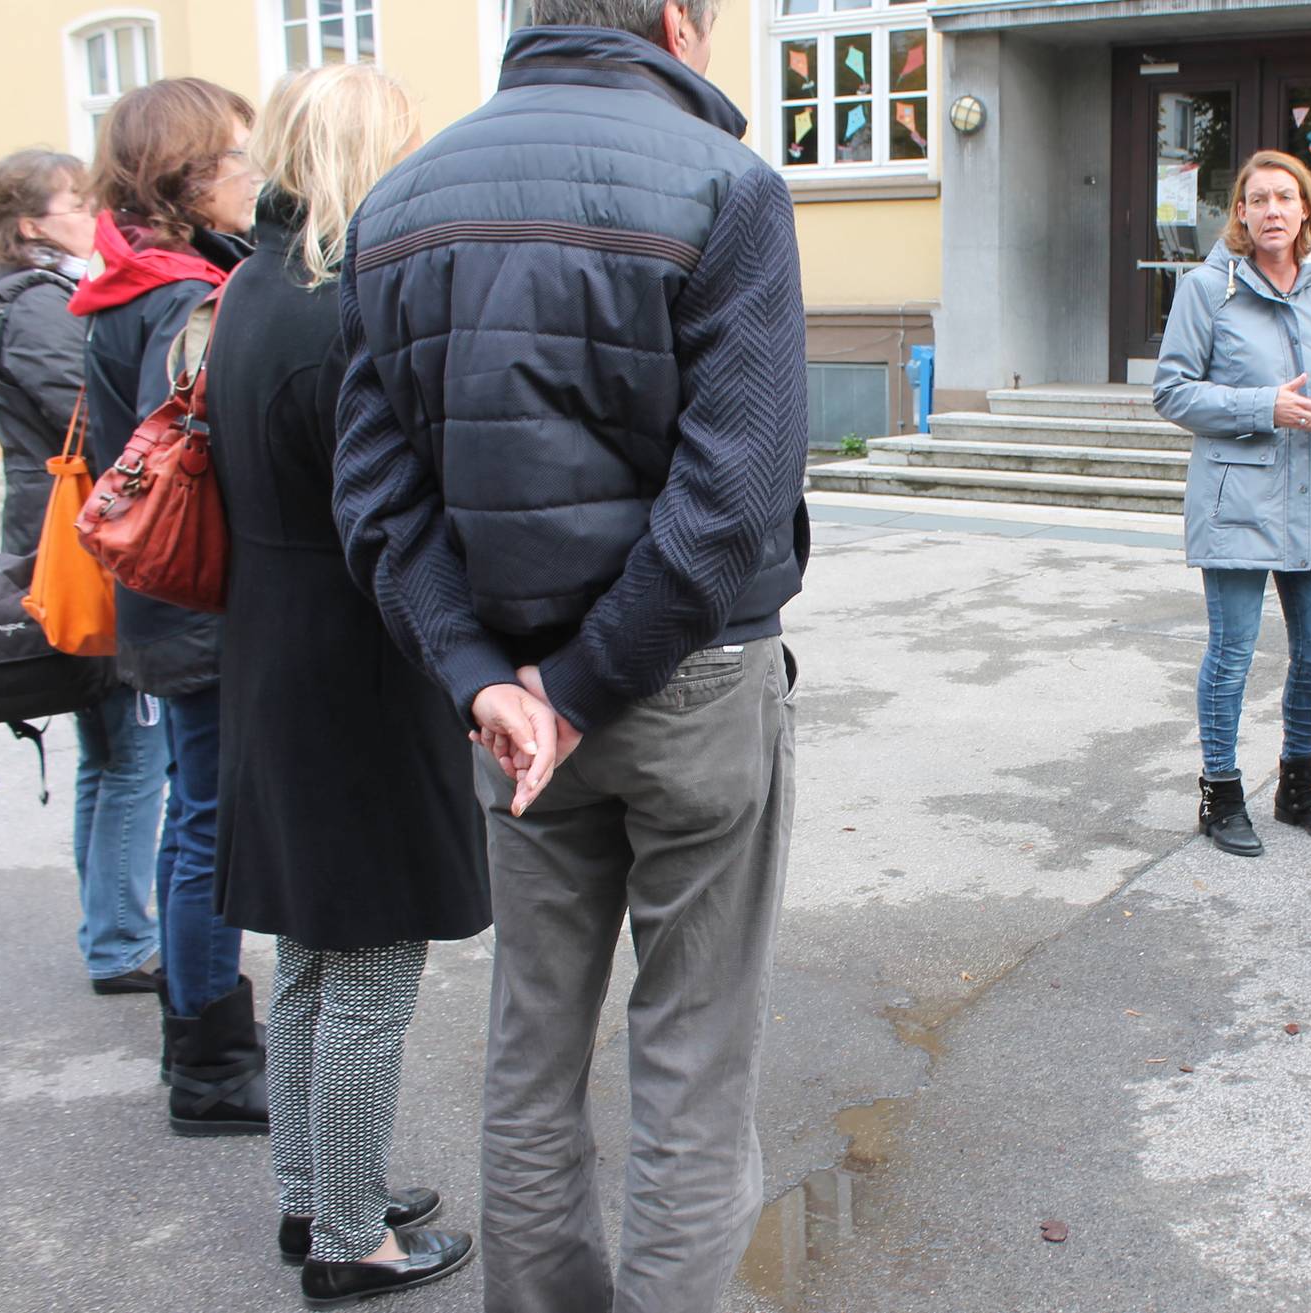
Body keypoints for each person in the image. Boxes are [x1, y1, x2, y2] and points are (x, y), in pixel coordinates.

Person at [330, 2, 809, 1308]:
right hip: (684, 683)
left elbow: (375, 498)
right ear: (670, 22)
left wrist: (487, 676)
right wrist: (575, 689)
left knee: (529, 1052)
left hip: (513, 708)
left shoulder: (399, 203)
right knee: (693, 1061)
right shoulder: (727, 186)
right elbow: (737, 495)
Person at [205, 66, 487, 1305]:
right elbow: (401, 511)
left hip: (278, 651)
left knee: (315, 955)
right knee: (368, 966)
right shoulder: (342, 309)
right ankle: (349, 1240)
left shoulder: (254, 290)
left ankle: (317, 1190)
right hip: (353, 665)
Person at [71, 77, 269, 1135]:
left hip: (160, 597)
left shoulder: (126, 280)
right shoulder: (181, 299)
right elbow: (211, 451)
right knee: (206, 825)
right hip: (197, 599)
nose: (256, 175)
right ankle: (212, 1066)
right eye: (241, 158)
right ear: (191, 178)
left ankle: (194, 1036)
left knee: (191, 814)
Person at [0, 150, 168, 997]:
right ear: (30, 225)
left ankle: (108, 924)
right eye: (79, 205)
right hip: (85, 551)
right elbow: (87, 410)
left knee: (108, 749)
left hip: (62, 543)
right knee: (133, 756)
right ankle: (120, 939)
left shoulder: (20, 301)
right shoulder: (39, 306)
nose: (98, 219)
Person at [1152, 149, 1311, 858]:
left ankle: (1298, 785)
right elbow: (1172, 390)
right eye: (1259, 199)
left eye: (1286, 197)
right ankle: (1220, 794)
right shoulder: (1206, 289)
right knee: (1231, 654)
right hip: (1236, 497)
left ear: (1306, 208)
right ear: (1242, 214)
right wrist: (1266, 406)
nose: (1273, 209)